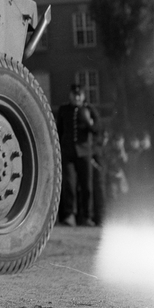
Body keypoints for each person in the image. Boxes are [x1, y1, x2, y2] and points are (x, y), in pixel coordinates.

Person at [56, 83, 98, 226]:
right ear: (71, 95)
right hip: (68, 152)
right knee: (69, 184)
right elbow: (59, 130)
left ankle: (86, 216)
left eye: (79, 95)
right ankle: (69, 215)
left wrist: (90, 122)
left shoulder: (89, 109)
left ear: (83, 96)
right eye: (75, 95)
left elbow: (97, 129)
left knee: (86, 186)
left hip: (84, 152)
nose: (77, 97)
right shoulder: (63, 109)